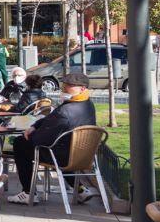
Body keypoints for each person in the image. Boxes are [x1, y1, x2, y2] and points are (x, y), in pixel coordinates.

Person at [7, 72, 98, 205]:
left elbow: (41, 139)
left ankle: (28, 192)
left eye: (69, 86)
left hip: (62, 156)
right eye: (64, 84)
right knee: (50, 145)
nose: (64, 88)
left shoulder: (65, 112)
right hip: (82, 154)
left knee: (20, 144)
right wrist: (35, 126)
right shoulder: (87, 104)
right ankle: (80, 189)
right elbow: (50, 118)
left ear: (82, 88)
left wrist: (29, 134)